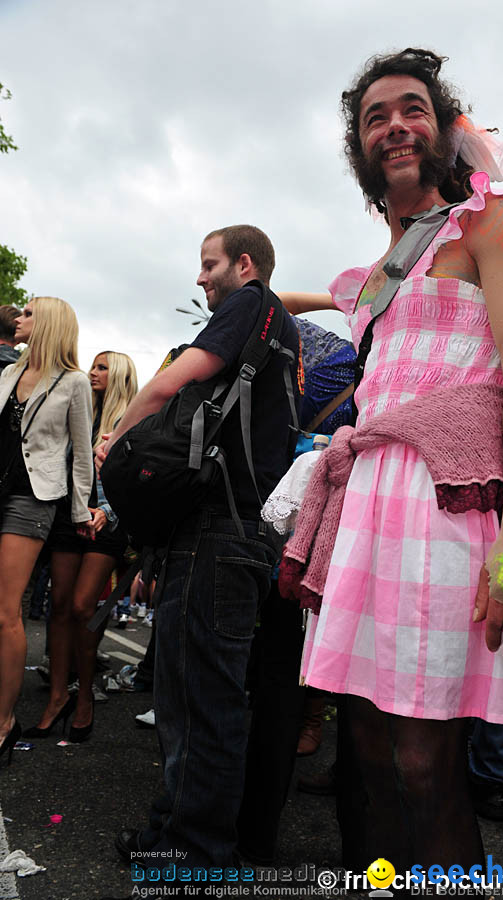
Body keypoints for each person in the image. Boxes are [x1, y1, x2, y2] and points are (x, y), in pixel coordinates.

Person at [279, 48, 503, 876]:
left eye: (413, 109)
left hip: (444, 506)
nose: (394, 126)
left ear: (445, 129)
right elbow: (336, 305)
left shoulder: (492, 223)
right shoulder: (378, 274)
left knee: (422, 763)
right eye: (374, 117)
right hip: (367, 510)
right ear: (356, 149)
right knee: (365, 754)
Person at [97, 225, 300, 872]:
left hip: (216, 529)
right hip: (247, 531)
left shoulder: (247, 305)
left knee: (198, 703)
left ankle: (191, 852)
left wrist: (114, 447)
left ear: (243, 265)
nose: (199, 278)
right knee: (201, 699)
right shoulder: (277, 323)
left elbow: (163, 387)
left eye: (208, 265)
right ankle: (177, 830)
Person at [24, 351, 137, 743]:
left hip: (107, 521)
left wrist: (105, 511)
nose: (93, 372)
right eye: (93, 365)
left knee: (83, 606)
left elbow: (133, 479)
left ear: (119, 375)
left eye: (102, 367)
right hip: (67, 516)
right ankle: (57, 697)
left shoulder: (133, 421)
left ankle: (84, 693)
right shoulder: (79, 411)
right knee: (58, 606)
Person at [0, 296, 93, 764]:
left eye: (29, 313)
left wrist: (79, 513)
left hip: (33, 498)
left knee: (6, 611)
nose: (19, 319)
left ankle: (3, 721)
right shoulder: (7, 373)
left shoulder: (74, 382)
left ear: (50, 324)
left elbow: (81, 450)